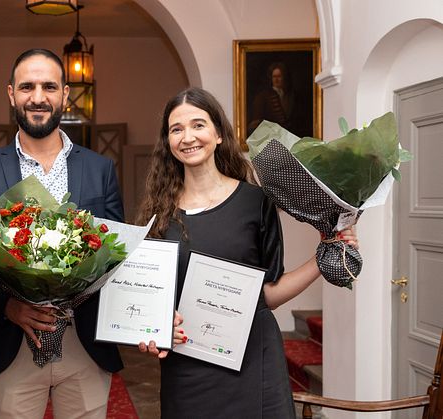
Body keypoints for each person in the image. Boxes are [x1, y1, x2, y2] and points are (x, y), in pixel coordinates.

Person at [135, 87, 357, 418]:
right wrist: (154, 327)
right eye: (176, 129)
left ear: (219, 134)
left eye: (198, 124)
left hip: (254, 362)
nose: (187, 137)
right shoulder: (158, 215)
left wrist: (324, 254)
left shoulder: (256, 202)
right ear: (167, 142)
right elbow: (149, 297)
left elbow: (269, 293)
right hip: (187, 366)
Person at [0, 48, 123, 419]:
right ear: (11, 94)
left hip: (85, 340)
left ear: (65, 94)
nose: (38, 97)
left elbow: (116, 255)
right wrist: (7, 307)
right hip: (9, 344)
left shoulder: (101, 170)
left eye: (49, 86)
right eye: (27, 86)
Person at [247, 62, 310, 137]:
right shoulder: (263, 97)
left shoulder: (293, 96)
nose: (276, 79)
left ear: (284, 77)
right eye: (274, 77)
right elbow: (256, 123)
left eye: (279, 76)